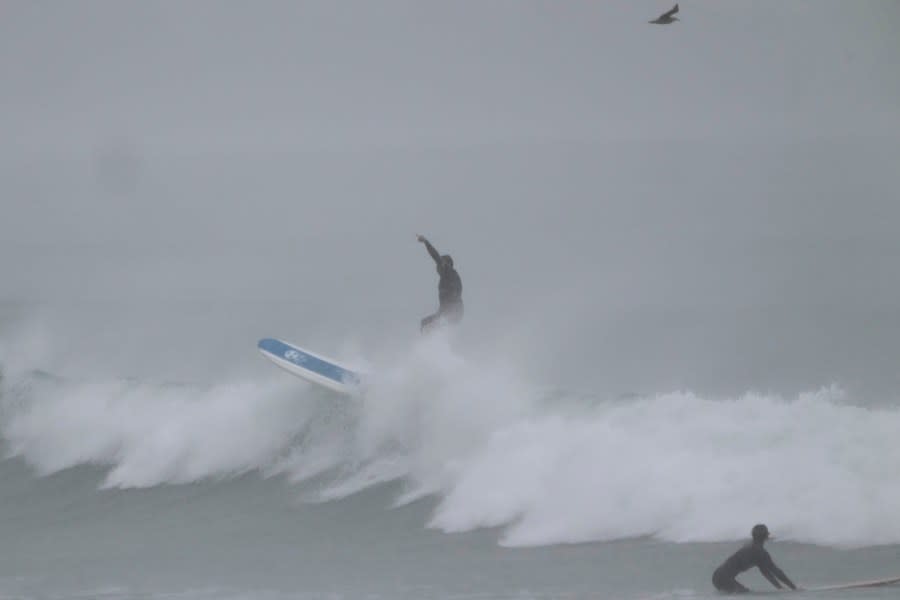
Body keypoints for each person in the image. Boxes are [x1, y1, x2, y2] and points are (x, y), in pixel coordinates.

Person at [712, 524, 798, 594]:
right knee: (747, 595)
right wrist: (794, 588)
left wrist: (780, 588)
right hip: (724, 579)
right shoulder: (760, 552)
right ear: (765, 536)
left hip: (717, 576)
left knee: (745, 593)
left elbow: (765, 572)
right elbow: (776, 572)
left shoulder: (751, 546)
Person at [416, 234, 463, 333]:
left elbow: (436, 256)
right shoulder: (450, 277)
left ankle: (438, 341)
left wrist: (426, 242)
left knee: (429, 325)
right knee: (426, 324)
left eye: (441, 264)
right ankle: (431, 346)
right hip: (449, 311)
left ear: (447, 264)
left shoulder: (448, 272)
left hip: (452, 312)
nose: (437, 268)